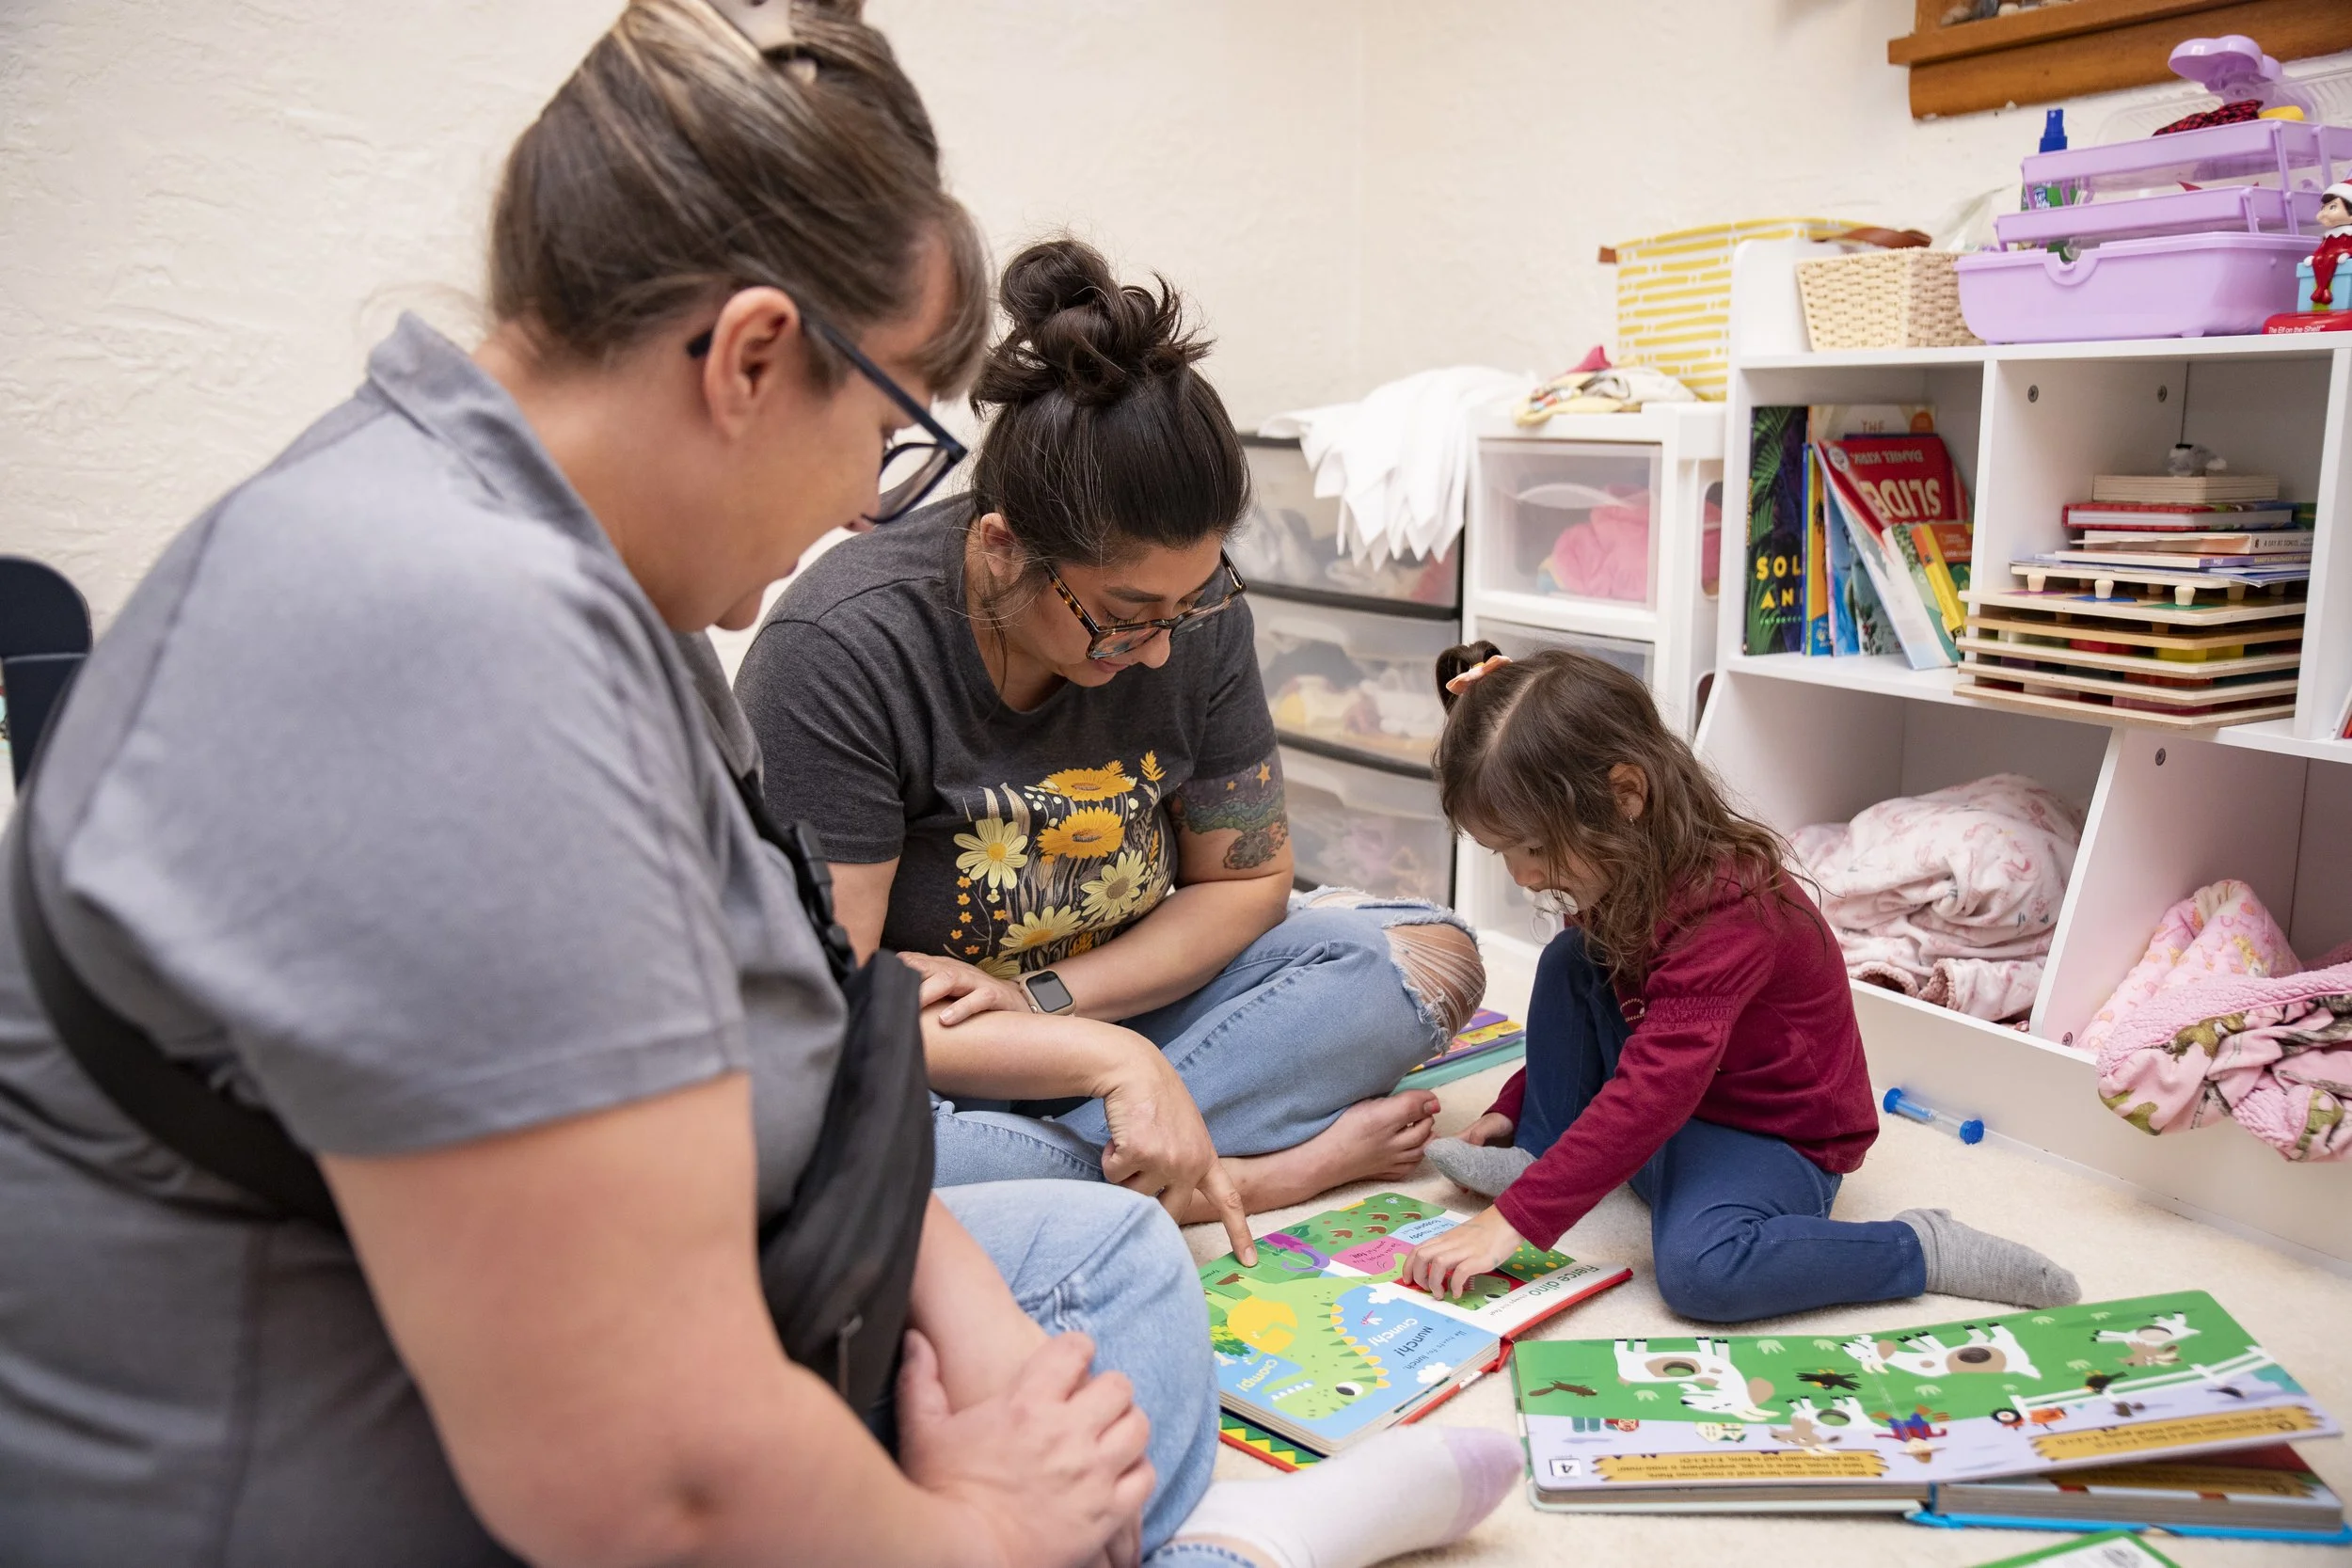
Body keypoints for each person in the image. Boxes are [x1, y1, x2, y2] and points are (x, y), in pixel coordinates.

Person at [0, 5, 1518, 1564]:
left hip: (743, 1259)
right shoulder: (443, 639)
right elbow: (652, 1476)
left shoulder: (577, 578)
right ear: (751, 358)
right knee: (1062, 1455)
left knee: (1110, 1257)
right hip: (361, 1468)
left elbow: (815, 1041)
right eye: (884, 429)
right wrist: (988, 1528)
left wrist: (977, 1323)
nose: (871, 496)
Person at [735, 237, 1485, 1218]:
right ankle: (1235, 1174)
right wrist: (1108, 1059)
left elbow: (1246, 879)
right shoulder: (842, 647)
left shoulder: (1192, 611)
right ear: (1002, 547)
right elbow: (834, 1007)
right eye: (1123, 615)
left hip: (1104, 998)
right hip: (935, 1057)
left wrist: (1050, 1000)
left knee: (1429, 954)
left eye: (1189, 605)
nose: (1162, 651)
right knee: (807, 1139)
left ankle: (1092, 1166)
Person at [1402, 643, 2081, 1322]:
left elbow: (1653, 1088)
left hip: (1767, 1132)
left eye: (1534, 848)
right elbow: (1614, 1020)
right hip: (1678, 1096)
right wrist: (1524, 1105)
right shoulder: (1623, 866)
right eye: (1506, 852)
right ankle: (1543, 1152)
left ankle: (1917, 1248)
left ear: (1627, 794)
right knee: (1573, 959)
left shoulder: (1728, 911)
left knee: (1703, 1270)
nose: (1522, 874)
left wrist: (1514, 1221)